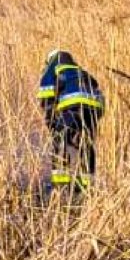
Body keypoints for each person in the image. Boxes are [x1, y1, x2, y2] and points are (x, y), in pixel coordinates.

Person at [37, 48, 105, 193]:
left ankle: (60, 187)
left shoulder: (52, 70)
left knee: (60, 141)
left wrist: (51, 124)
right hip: (93, 110)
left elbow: (46, 97)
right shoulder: (81, 71)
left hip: (72, 107)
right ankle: (86, 185)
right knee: (86, 144)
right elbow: (95, 86)